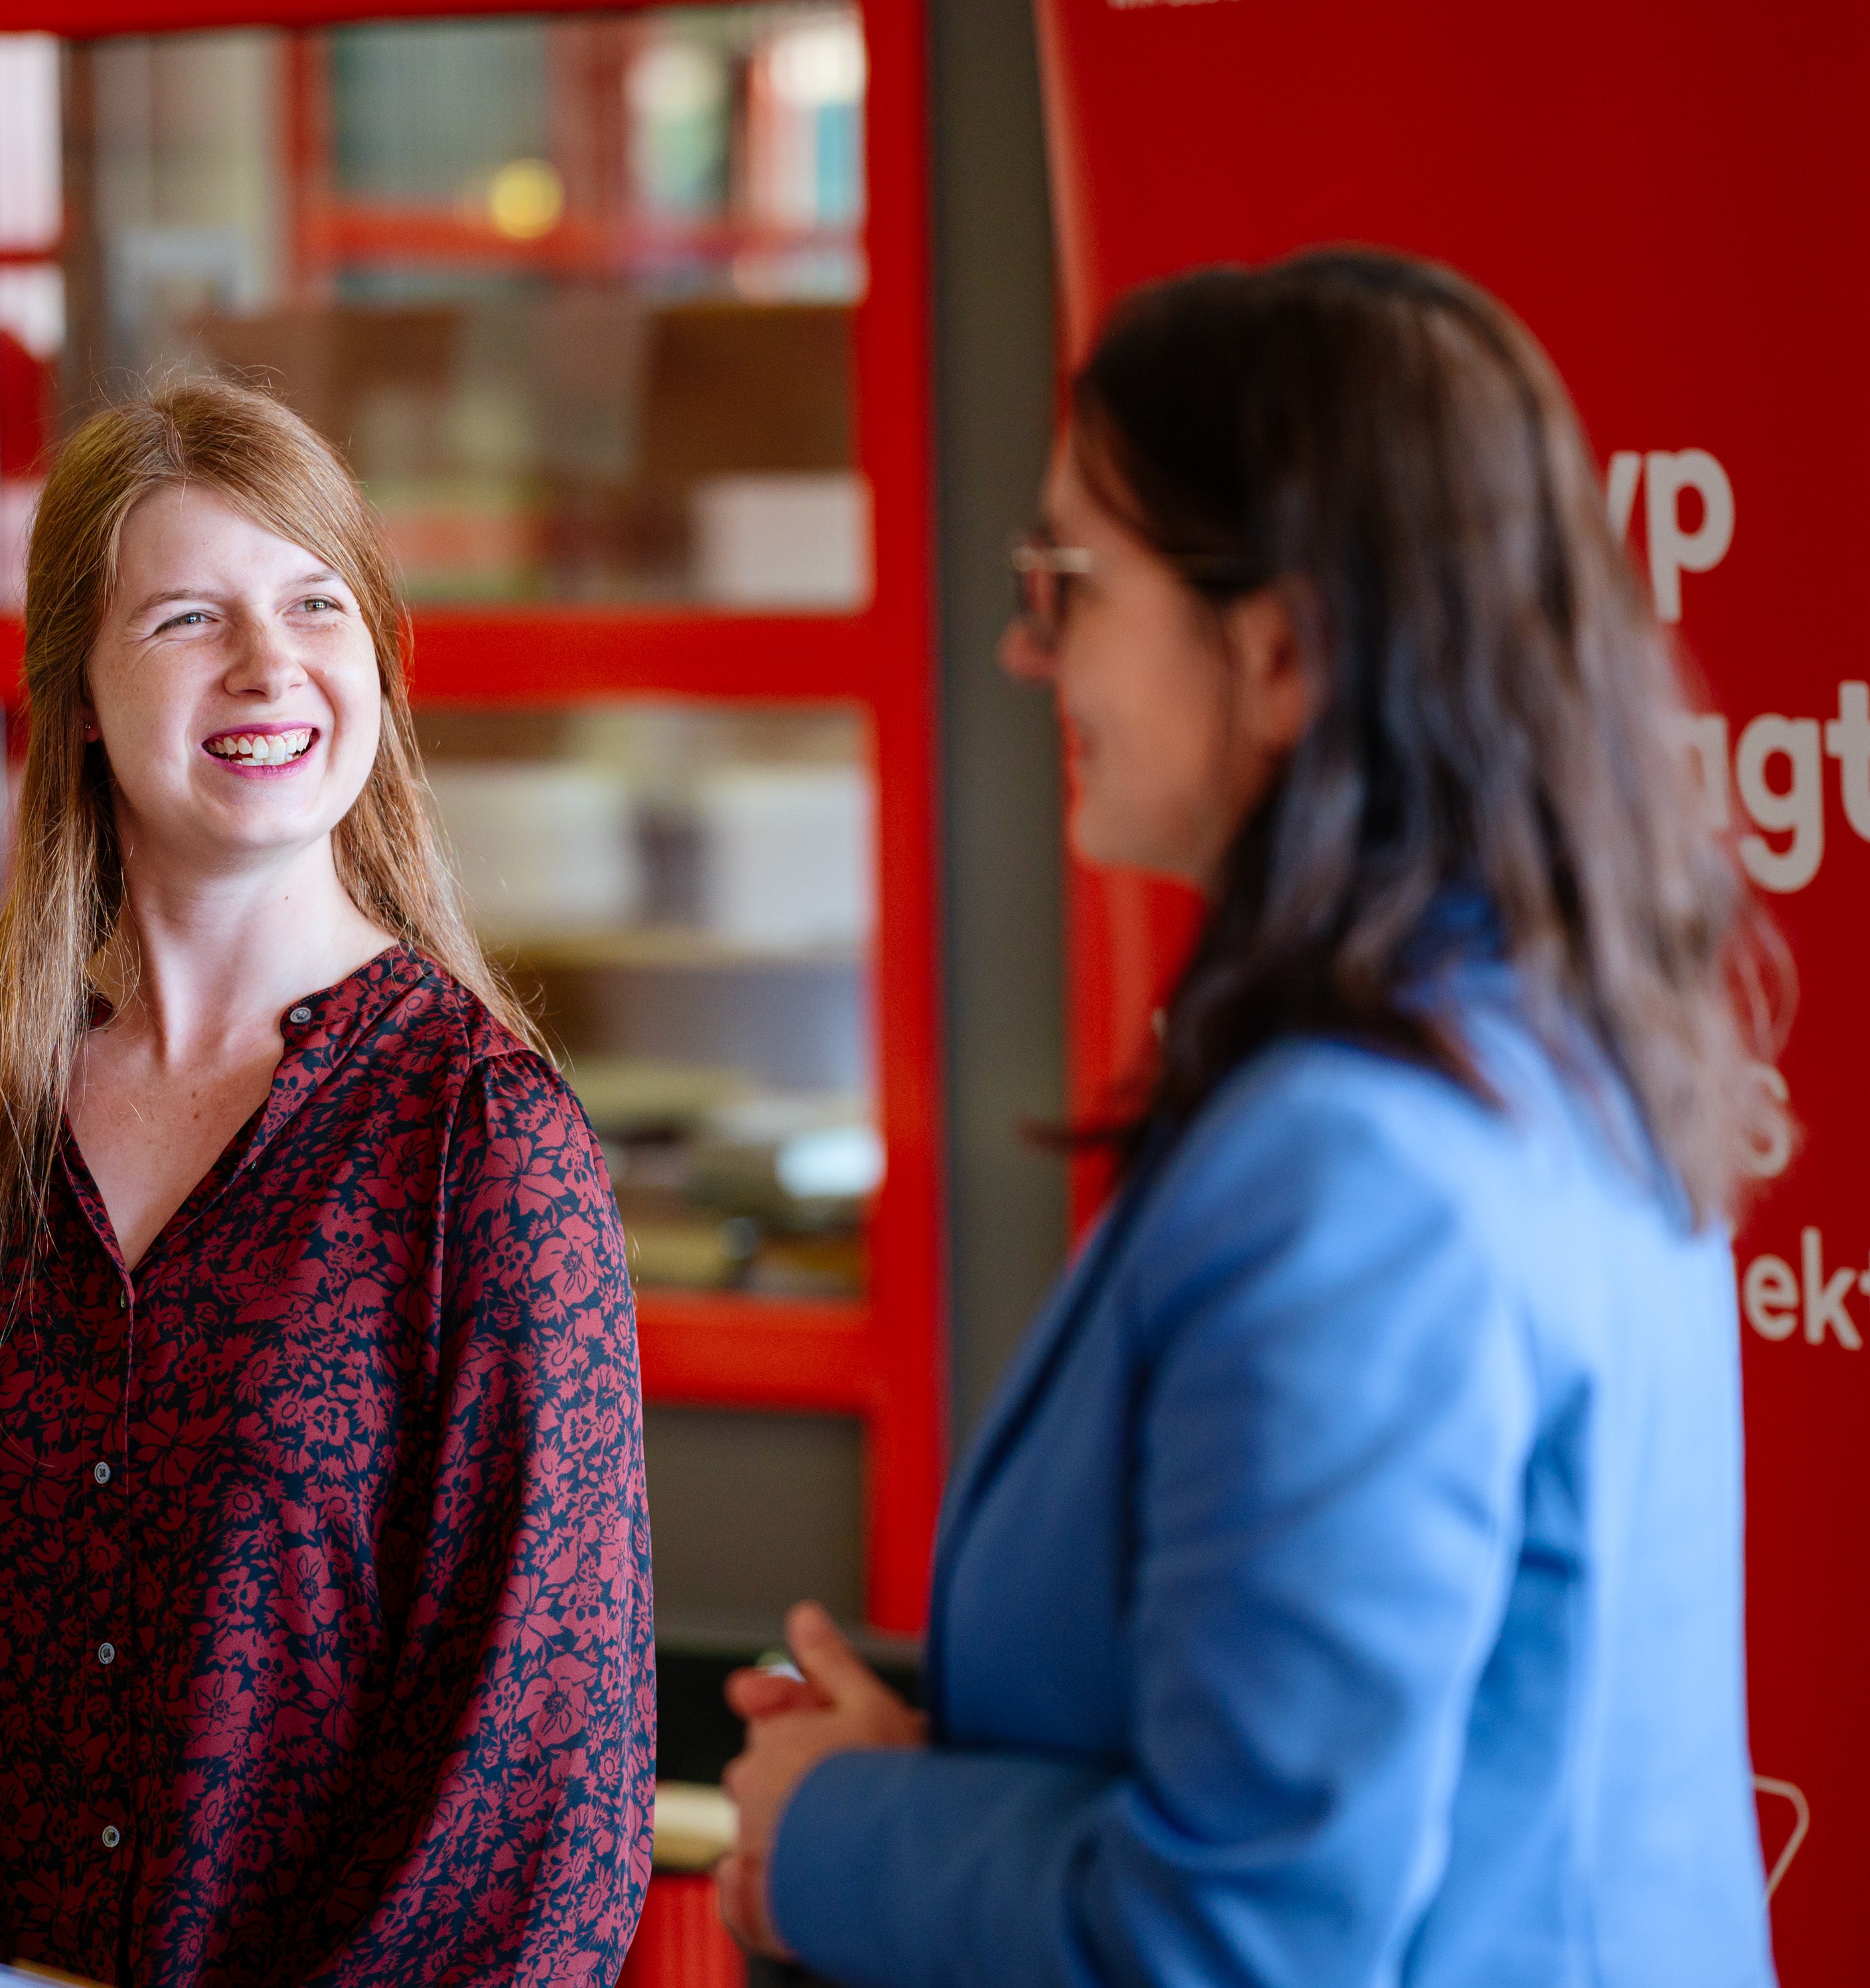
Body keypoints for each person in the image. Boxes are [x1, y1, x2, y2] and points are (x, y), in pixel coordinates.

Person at [716, 250, 1782, 1985]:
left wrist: (836, 1828)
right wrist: (918, 1784)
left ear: (1281, 653)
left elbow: (1236, 1941)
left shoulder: (1353, 1172)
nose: (1023, 645)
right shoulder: (1535, 1050)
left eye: (1072, 584)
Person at [0, 378, 654, 1987]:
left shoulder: (486, 1149)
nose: (268, 665)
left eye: (314, 604)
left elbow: (532, 1801)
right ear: (81, 699)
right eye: (188, 618)